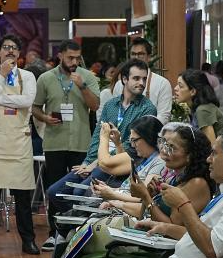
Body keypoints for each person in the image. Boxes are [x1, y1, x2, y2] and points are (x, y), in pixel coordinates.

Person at [47, 124, 211, 258]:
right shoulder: (175, 177)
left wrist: (147, 198)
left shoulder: (197, 184)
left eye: (172, 148)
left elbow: (171, 227)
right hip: (146, 239)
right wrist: (145, 196)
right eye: (164, 145)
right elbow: (147, 211)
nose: (164, 152)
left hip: (157, 251)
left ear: (190, 155)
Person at [45, 60, 157, 225]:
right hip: (98, 158)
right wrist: (87, 162)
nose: (141, 83)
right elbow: (98, 135)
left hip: (118, 162)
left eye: (144, 79)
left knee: (79, 193)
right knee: (54, 192)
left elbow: (131, 146)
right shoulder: (111, 105)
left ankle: (74, 227)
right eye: (136, 78)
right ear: (124, 79)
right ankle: (73, 225)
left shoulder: (147, 108)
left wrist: (95, 164)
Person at [0, 34, 40, 256]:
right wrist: (1, 76)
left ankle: (28, 240)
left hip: (19, 141)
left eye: (14, 47)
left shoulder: (28, 76)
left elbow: (27, 101)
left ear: (19, 53)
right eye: (5, 47)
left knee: (22, 196)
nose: (10, 50)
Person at [33, 40, 102, 239]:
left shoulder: (87, 77)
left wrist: (82, 86)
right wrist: (45, 118)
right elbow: (35, 107)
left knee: (79, 189)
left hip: (81, 142)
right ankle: (54, 233)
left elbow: (95, 106)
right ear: (60, 56)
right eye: (70, 57)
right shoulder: (45, 78)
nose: (74, 62)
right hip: (54, 142)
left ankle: (76, 232)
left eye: (77, 58)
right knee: (54, 188)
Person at [111, 37, 172, 124]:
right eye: (133, 54)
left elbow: (163, 116)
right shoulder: (120, 84)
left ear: (149, 57)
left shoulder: (162, 83)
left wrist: (143, 130)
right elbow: (115, 113)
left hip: (151, 130)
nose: (136, 57)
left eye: (140, 54)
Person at [173, 69, 223, 143]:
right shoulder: (196, 108)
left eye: (180, 86)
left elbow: (211, 144)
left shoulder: (203, 109)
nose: (175, 88)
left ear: (193, 91)